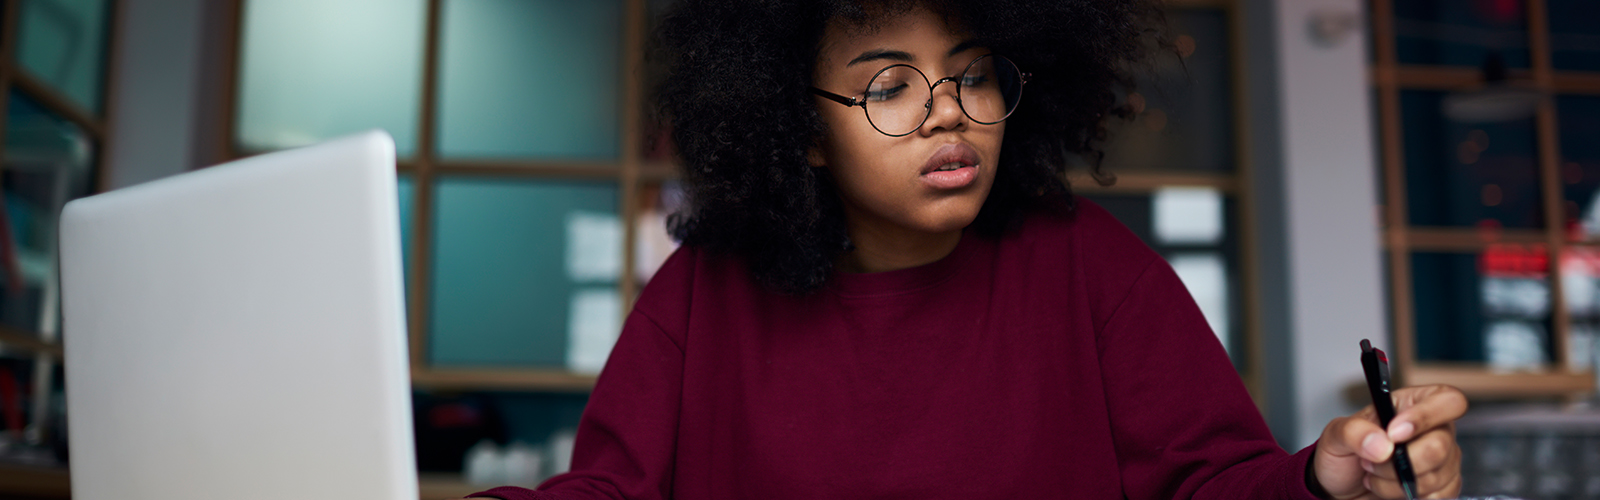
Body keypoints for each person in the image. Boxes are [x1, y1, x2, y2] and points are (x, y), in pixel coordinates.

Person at [467, 0, 1466, 498]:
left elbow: (1208, 481)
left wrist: (1322, 476)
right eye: (888, 85)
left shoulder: (1088, 264)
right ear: (800, 128)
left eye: (972, 73)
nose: (949, 113)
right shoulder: (702, 293)